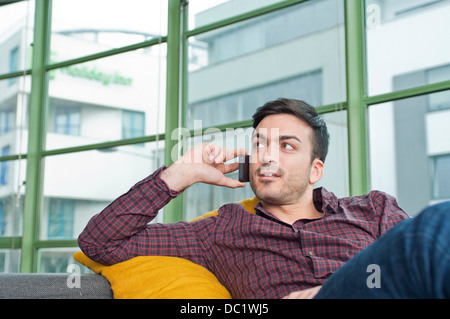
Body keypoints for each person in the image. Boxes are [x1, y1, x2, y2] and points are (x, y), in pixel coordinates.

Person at [78, 98, 449, 299]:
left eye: (286, 146)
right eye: (259, 144)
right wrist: (182, 172)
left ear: (315, 170)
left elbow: (417, 269)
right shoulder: (219, 230)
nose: (267, 156)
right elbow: (100, 242)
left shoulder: (373, 209)